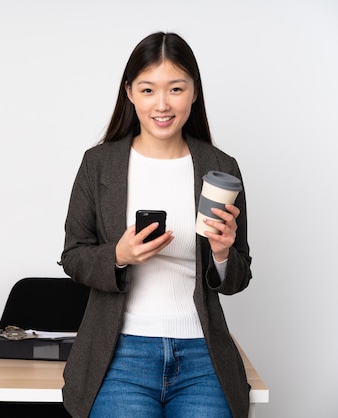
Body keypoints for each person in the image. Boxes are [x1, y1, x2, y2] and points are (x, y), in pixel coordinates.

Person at [60, 32, 252, 418]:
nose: (162, 104)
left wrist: (221, 253)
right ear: (130, 92)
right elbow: (73, 257)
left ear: (194, 93)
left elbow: (238, 278)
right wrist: (118, 255)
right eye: (148, 89)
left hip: (202, 357)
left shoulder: (220, 168)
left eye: (176, 89)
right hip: (119, 354)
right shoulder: (99, 164)